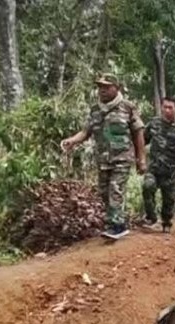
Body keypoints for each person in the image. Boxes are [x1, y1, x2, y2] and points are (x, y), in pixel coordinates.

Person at [61, 73, 145, 238]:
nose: (102, 90)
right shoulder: (95, 110)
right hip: (103, 159)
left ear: (117, 88)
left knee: (115, 189)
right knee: (103, 192)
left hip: (122, 158)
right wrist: (72, 141)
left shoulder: (127, 107)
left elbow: (138, 132)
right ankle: (113, 222)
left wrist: (141, 159)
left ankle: (118, 225)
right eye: (100, 87)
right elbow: (86, 131)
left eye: (107, 87)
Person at [142, 97, 175, 233]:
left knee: (169, 200)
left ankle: (166, 222)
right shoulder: (154, 123)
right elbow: (143, 140)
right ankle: (151, 218)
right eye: (165, 107)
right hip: (154, 168)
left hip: (171, 171)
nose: (167, 110)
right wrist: (138, 156)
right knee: (147, 187)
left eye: (170, 107)